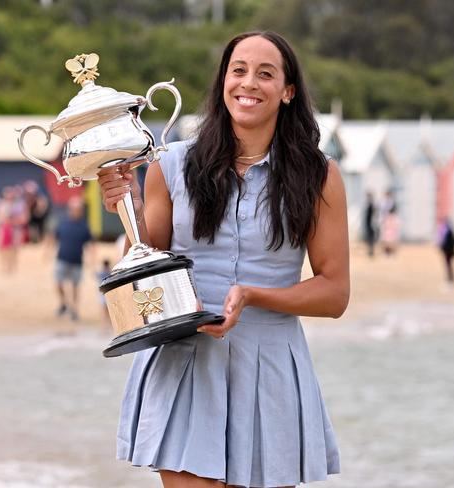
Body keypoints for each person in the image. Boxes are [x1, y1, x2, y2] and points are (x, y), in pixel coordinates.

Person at [98, 31, 349, 488]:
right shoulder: (169, 163)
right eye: (239, 70)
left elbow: (334, 293)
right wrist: (126, 207)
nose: (248, 83)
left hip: (271, 364)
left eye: (265, 73)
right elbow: (146, 263)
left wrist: (253, 296)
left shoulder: (320, 176)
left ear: (287, 91)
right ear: (223, 81)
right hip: (185, 360)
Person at [51, 197, 94, 321]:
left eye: (78, 209)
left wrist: (92, 258)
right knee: (58, 282)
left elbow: (90, 243)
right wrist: (48, 252)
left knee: (75, 286)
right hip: (62, 258)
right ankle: (63, 303)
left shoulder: (84, 226)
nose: (76, 211)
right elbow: (54, 236)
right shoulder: (63, 223)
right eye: (74, 209)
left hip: (77, 260)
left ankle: (74, 309)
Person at [438, 218, 454, 286]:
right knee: (448, 266)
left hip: (448, 252)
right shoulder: (449, 232)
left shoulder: (448, 232)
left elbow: (449, 244)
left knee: (449, 266)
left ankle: (450, 279)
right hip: (448, 252)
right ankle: (450, 279)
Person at [363, 191, 377, 257]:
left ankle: (371, 251)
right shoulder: (368, 204)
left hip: (371, 223)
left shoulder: (372, 204)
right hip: (368, 223)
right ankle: (370, 251)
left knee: (371, 238)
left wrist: (374, 223)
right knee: (369, 238)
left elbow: (374, 214)